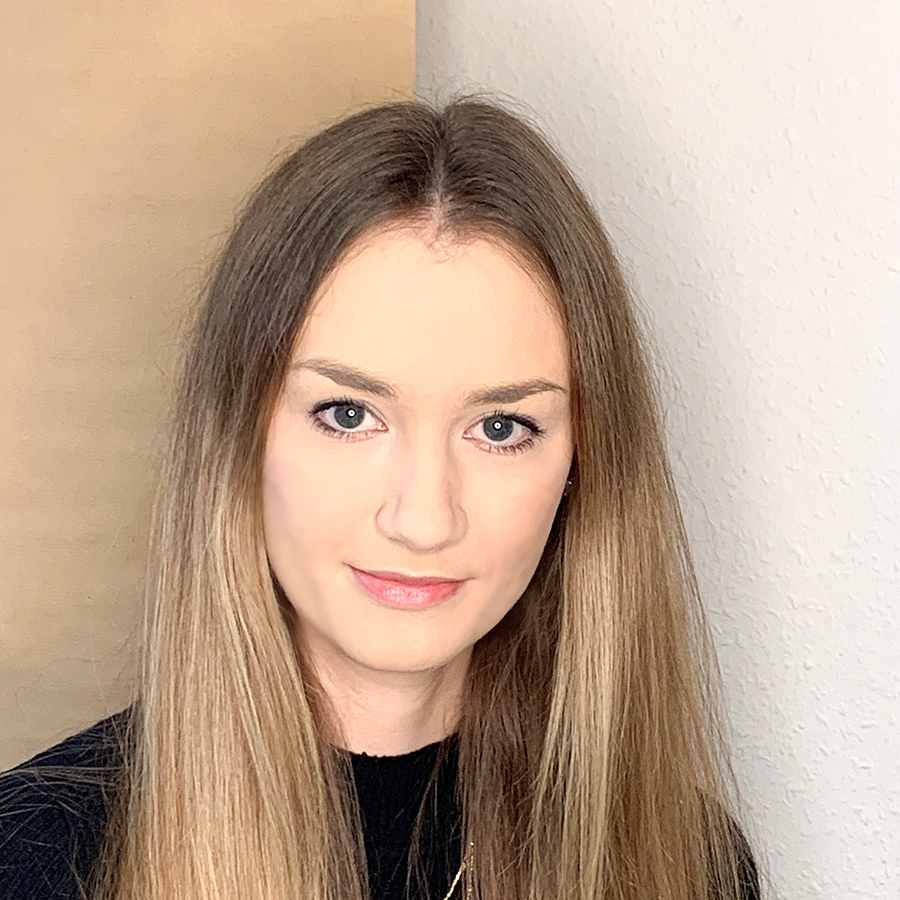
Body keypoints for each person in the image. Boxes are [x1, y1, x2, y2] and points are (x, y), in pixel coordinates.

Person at [0, 97, 760, 900]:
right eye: (348, 414)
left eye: (500, 427)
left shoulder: (687, 864)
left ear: (583, 463)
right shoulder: (33, 861)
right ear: (238, 438)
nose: (423, 520)